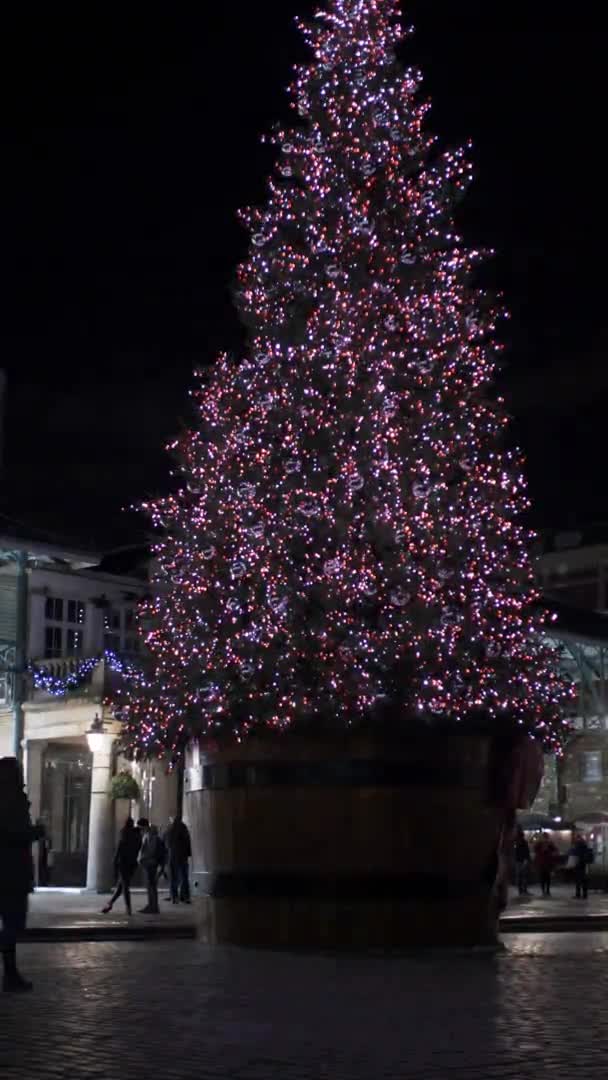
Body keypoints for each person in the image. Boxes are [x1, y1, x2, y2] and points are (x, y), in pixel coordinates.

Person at [0, 756, 43, 993]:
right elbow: (12, 833)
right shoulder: (10, 800)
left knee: (12, 924)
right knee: (13, 923)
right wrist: (35, 831)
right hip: (11, 871)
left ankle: (11, 973)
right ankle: (10, 974)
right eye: (19, 771)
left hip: (11, 870)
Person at [101, 817, 141, 916]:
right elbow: (138, 848)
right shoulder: (137, 836)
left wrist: (114, 861)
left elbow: (119, 848)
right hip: (132, 863)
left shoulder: (124, 833)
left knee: (124, 886)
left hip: (123, 863)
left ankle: (128, 908)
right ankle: (110, 903)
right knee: (122, 886)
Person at [138, 820, 165, 914]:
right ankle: (152, 905)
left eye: (140, 827)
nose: (140, 830)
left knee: (151, 886)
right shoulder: (151, 835)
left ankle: (153, 907)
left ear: (144, 826)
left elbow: (150, 850)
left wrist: (143, 858)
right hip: (150, 863)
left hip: (150, 863)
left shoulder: (151, 835)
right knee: (151, 886)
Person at [166, 814, 192, 904]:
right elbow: (188, 841)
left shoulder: (170, 829)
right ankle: (185, 897)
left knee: (173, 877)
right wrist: (188, 853)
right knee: (184, 877)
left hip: (173, 856)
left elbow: (166, 842)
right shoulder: (184, 828)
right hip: (183, 856)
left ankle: (174, 897)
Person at [534, 832, 558, 897]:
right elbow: (535, 849)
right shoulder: (539, 843)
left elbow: (555, 850)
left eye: (546, 837)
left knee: (547, 878)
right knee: (542, 877)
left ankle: (547, 890)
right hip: (542, 863)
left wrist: (552, 853)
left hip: (547, 863)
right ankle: (544, 890)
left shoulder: (550, 844)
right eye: (544, 837)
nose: (545, 839)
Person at [570, 833, 593, 900]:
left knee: (578, 880)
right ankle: (584, 894)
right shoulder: (585, 846)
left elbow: (574, 854)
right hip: (584, 864)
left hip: (579, 864)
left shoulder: (578, 846)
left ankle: (578, 894)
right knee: (584, 880)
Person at [514, 826, 531, 896]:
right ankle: (523, 890)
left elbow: (526, 852)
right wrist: (527, 859)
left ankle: (521, 890)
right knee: (523, 876)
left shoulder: (516, 843)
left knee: (520, 876)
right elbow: (527, 852)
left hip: (519, 860)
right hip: (521, 860)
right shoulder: (522, 843)